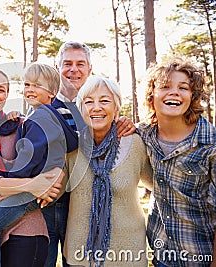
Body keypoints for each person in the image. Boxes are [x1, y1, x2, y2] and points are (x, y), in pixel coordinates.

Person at [0, 67, 65, 267]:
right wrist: (31, 185)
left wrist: (53, 180)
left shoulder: (22, 126)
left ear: (7, 94)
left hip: (26, 230)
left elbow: (55, 160)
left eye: (1, 90)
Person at [46, 41, 135, 267]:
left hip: (83, 203)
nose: (73, 69)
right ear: (58, 68)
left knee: (77, 259)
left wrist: (123, 122)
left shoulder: (98, 106)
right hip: (48, 202)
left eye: (80, 64)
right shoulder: (44, 105)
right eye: (67, 64)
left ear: (89, 69)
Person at [63, 75, 152, 266]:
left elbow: (157, 183)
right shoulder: (71, 147)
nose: (96, 107)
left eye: (104, 101)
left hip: (128, 255)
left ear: (116, 107)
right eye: (88, 102)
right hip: (80, 255)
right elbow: (55, 189)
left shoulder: (136, 143)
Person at [137, 58, 216, 267]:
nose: (174, 92)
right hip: (161, 255)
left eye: (183, 87)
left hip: (201, 257)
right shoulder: (143, 134)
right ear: (151, 95)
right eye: (165, 86)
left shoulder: (211, 144)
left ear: (193, 97)